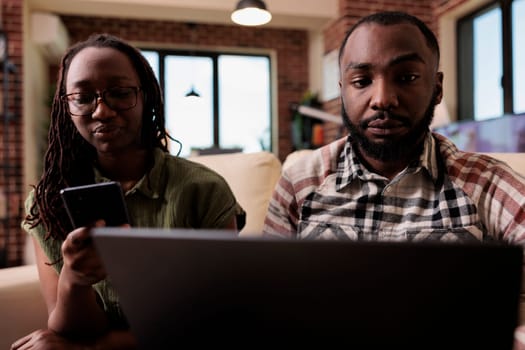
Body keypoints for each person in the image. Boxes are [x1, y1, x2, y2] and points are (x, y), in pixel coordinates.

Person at [262, 10, 525, 347]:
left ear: (437, 87)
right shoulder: (301, 182)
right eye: (361, 81)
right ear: (343, 90)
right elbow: (267, 302)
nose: (383, 99)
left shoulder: (486, 184)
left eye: (407, 77)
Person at [12, 33, 244, 349]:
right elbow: (69, 325)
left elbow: (215, 324)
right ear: (65, 107)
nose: (102, 111)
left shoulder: (203, 190)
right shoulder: (49, 201)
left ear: (146, 96)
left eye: (120, 93)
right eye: (82, 97)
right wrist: (74, 281)